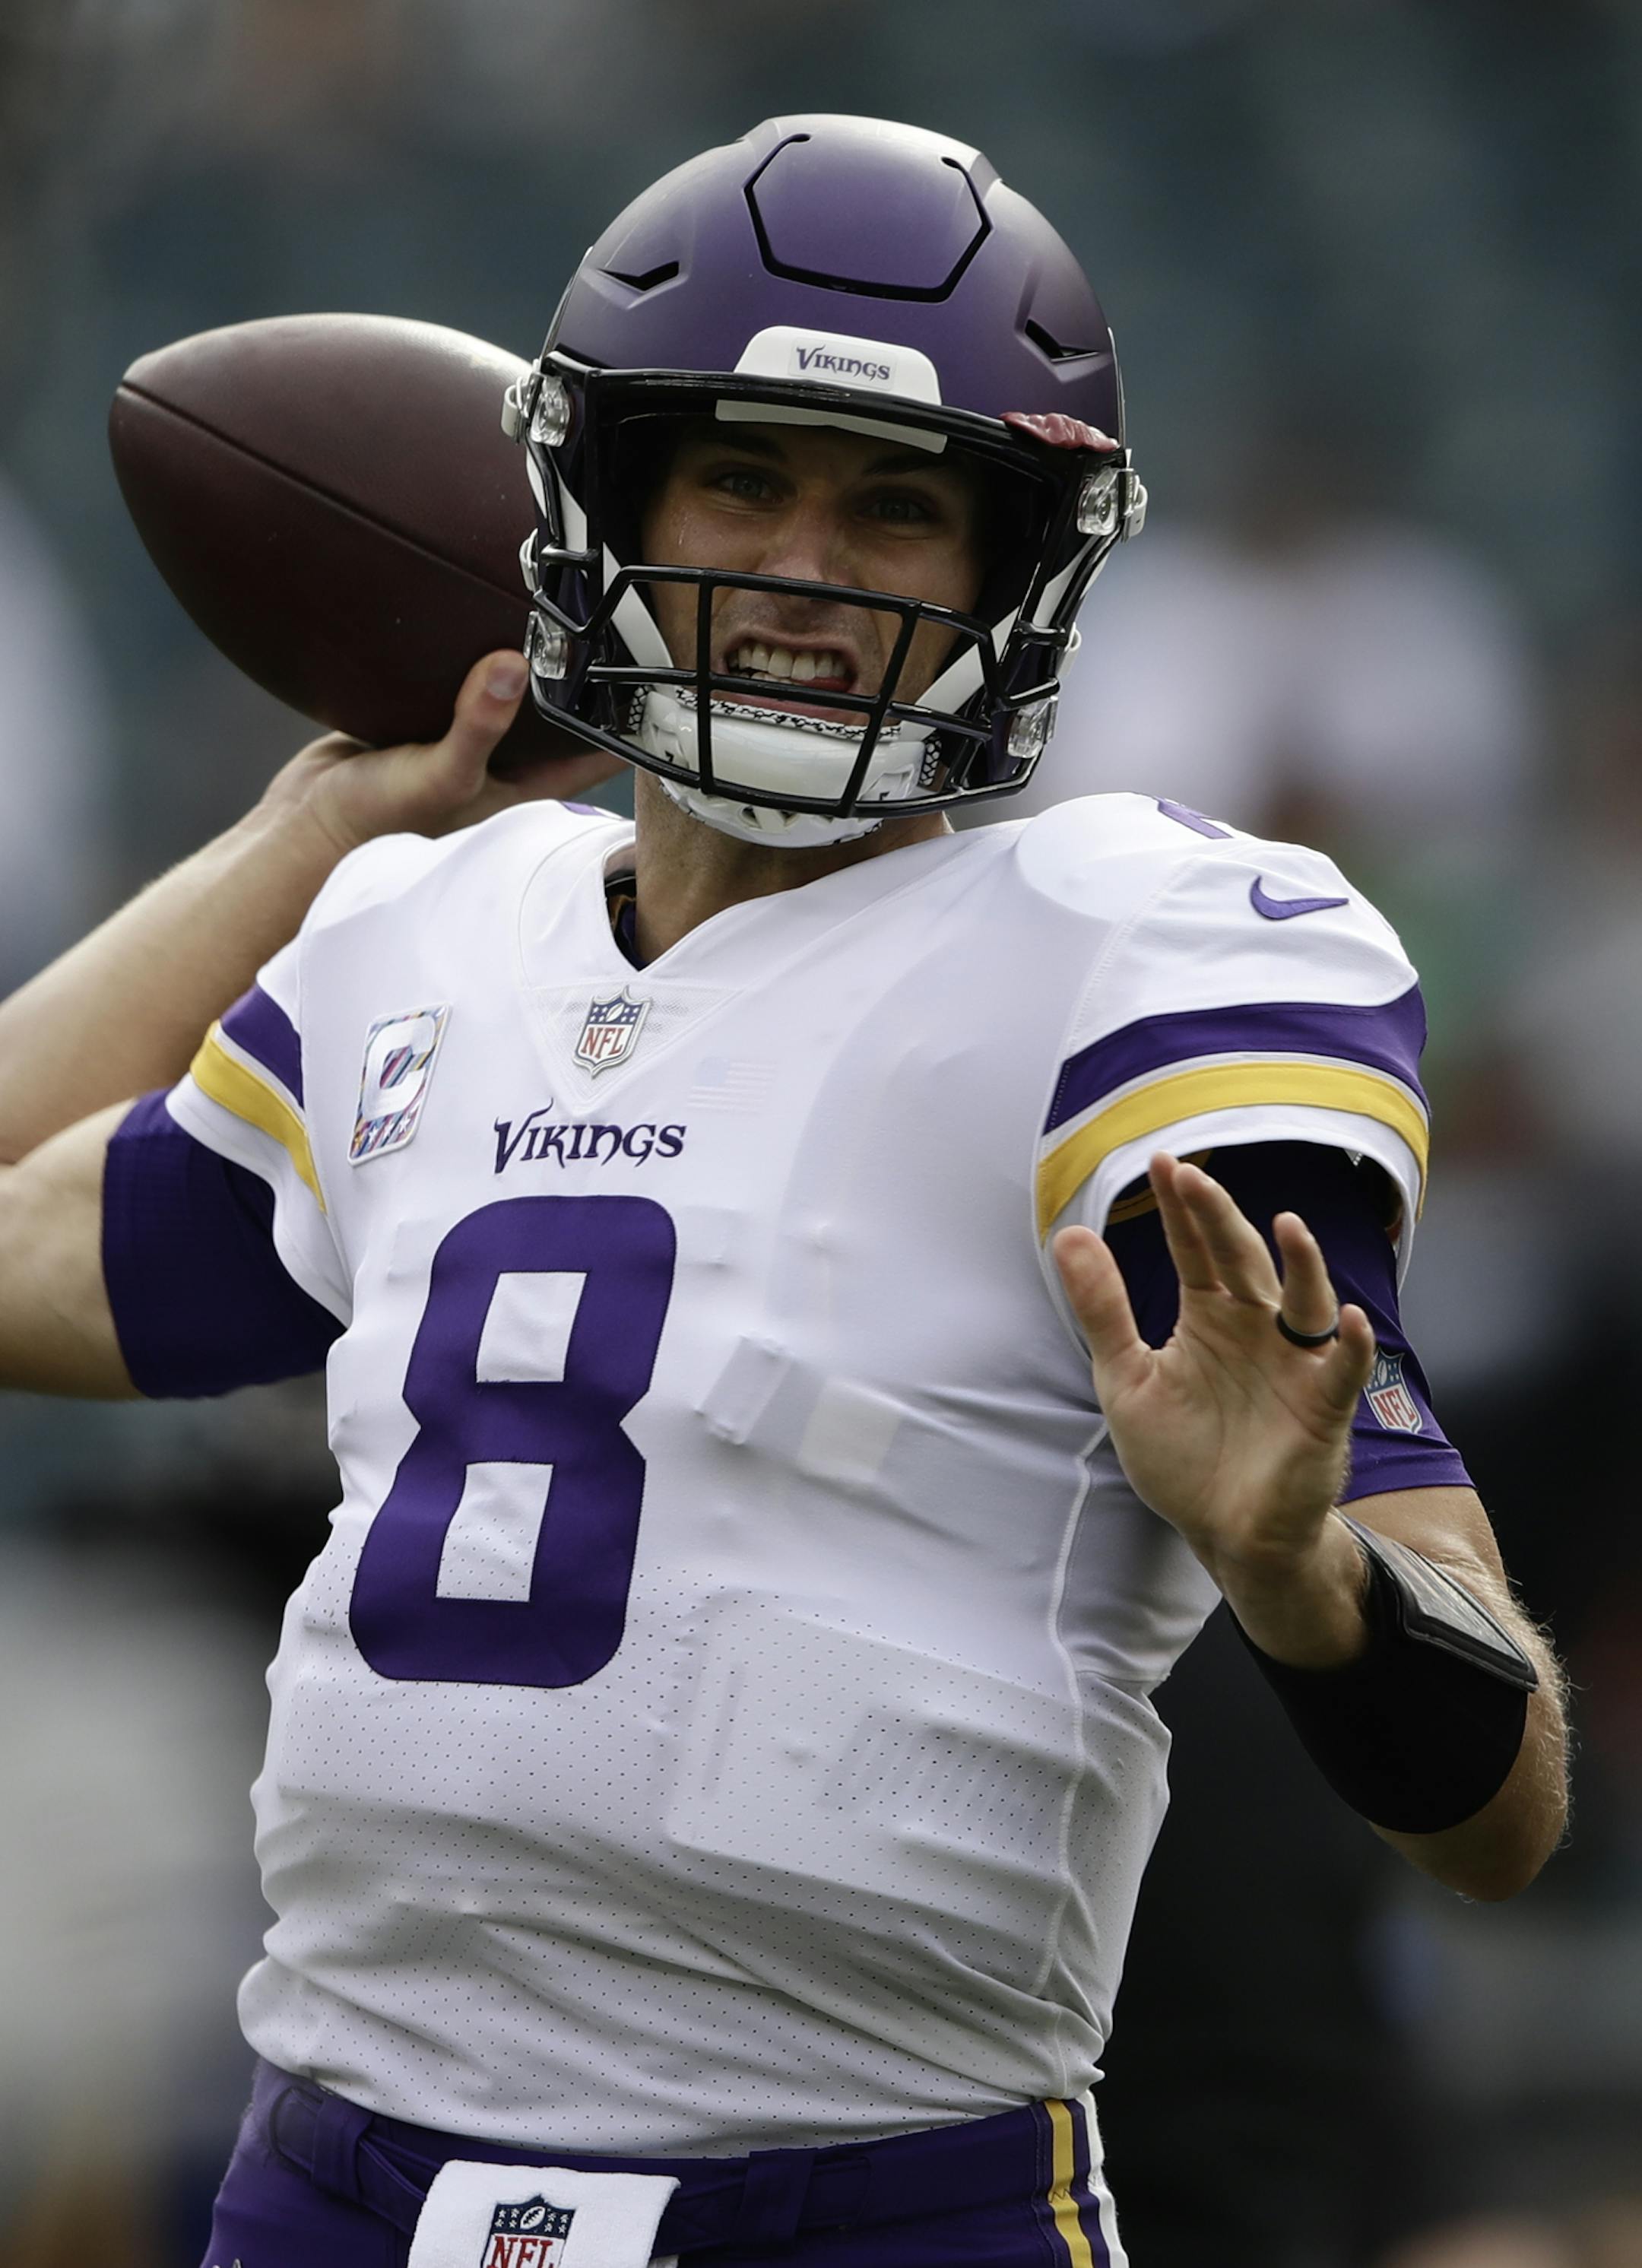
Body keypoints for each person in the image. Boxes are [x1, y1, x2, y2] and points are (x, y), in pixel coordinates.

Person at [0, 117, 1565, 2268]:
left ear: (1011, 574)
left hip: (877, 2210)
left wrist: (1304, 1579)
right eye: (741, 476)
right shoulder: (424, 936)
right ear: (601, 505)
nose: (809, 560)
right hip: (337, 2188)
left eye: (898, 504)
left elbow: (1503, 1812)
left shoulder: (1131, 951)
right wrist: (315, 824)